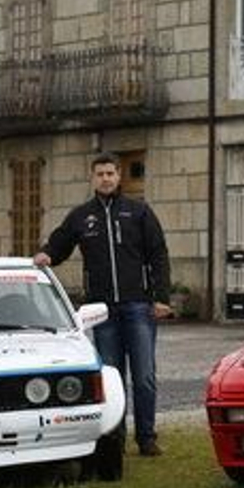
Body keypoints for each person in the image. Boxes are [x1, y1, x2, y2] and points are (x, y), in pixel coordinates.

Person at [34, 152, 173, 456]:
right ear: (92, 178)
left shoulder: (139, 212)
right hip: (102, 311)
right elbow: (59, 244)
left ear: (119, 176)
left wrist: (161, 298)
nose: (106, 178)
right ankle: (114, 440)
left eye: (111, 173)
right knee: (111, 379)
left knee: (144, 376)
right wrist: (46, 255)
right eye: (100, 174)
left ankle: (147, 437)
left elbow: (158, 255)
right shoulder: (82, 216)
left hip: (138, 306)